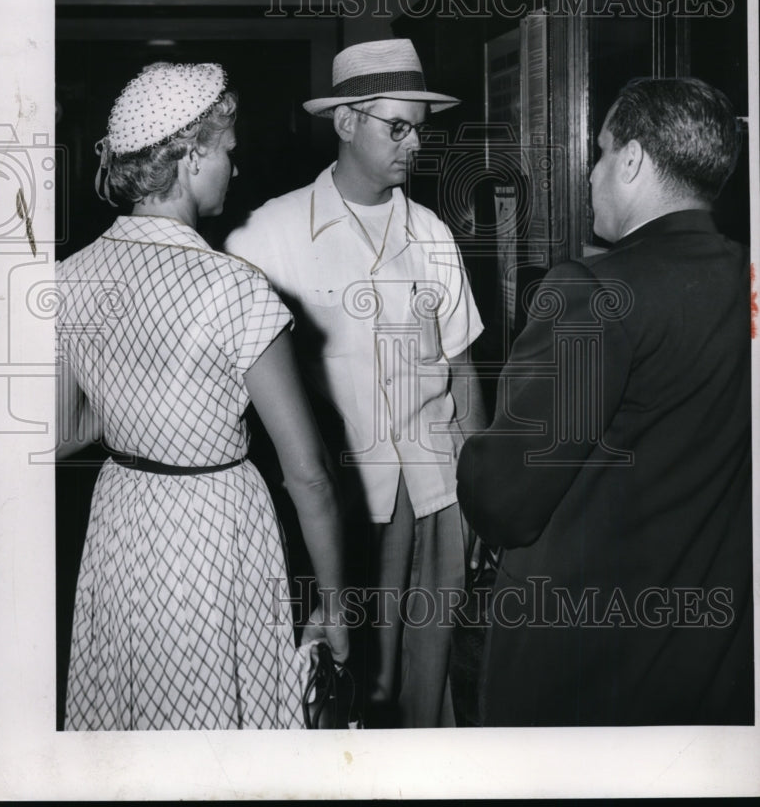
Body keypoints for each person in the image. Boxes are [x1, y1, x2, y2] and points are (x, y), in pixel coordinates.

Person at [56, 61, 347, 730]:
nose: (234, 169)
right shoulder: (233, 288)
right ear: (190, 158)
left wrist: (140, 411)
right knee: (215, 714)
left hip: (123, 517)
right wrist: (333, 604)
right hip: (215, 524)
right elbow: (308, 474)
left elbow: (58, 431)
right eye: (227, 153)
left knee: (132, 713)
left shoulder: (70, 275)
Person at [457, 77, 753, 726]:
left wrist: (469, 449)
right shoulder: (744, 276)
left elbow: (504, 500)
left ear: (632, 161)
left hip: (589, 664)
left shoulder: (592, 292)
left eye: (599, 152)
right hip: (715, 656)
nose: (590, 173)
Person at [226, 38, 486, 727]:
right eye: (394, 127)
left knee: (427, 690)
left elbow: (460, 370)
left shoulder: (431, 234)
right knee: (344, 692)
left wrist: (481, 490)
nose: (412, 146)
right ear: (345, 122)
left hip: (434, 493)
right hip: (340, 505)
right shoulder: (268, 234)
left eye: (417, 131)